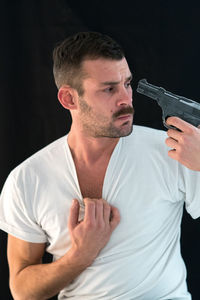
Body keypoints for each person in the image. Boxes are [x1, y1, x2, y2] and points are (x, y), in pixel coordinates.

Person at [0, 31, 200, 300]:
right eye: (109, 89)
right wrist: (80, 255)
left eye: (127, 84)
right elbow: (23, 291)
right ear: (69, 99)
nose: (126, 100)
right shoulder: (27, 179)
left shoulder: (177, 153)